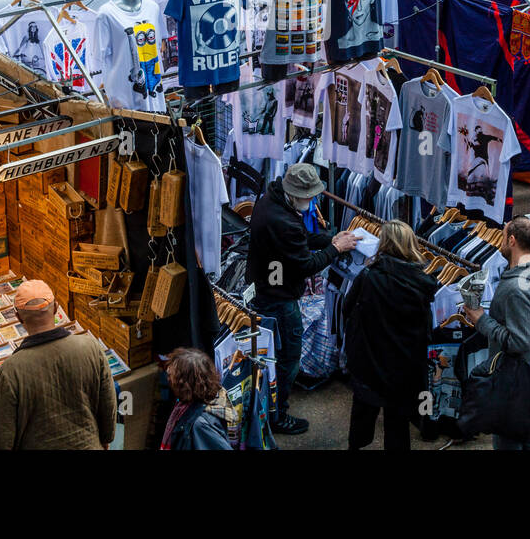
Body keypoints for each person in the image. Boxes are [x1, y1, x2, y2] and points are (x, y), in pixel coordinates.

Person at [245, 163, 358, 435]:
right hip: (279, 296)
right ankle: (278, 415)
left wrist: (329, 239)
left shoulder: (271, 201)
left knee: (277, 353)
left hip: (267, 288)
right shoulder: (284, 221)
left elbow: (301, 239)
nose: (312, 200)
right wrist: (335, 248)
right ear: (295, 194)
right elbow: (305, 265)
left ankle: (272, 407)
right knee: (288, 358)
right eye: (309, 195)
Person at [342, 220, 439, 451]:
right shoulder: (422, 285)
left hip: (369, 360)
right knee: (398, 423)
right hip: (403, 366)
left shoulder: (367, 277)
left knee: (362, 417)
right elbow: (426, 329)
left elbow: (347, 309)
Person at [0, 279, 116, 449]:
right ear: (56, 308)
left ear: (18, 317)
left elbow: (1, 436)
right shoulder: (90, 348)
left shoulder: (10, 370)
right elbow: (108, 406)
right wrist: (105, 439)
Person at [463, 215, 530, 449]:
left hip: (516, 383)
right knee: (526, 435)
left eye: (502, 236)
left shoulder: (515, 289)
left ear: (512, 240)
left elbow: (520, 341)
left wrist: (482, 320)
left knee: (509, 440)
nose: (499, 242)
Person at [160, 348, 232, 450]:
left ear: (185, 383)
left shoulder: (200, 423)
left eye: (173, 375)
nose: (169, 377)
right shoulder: (186, 405)